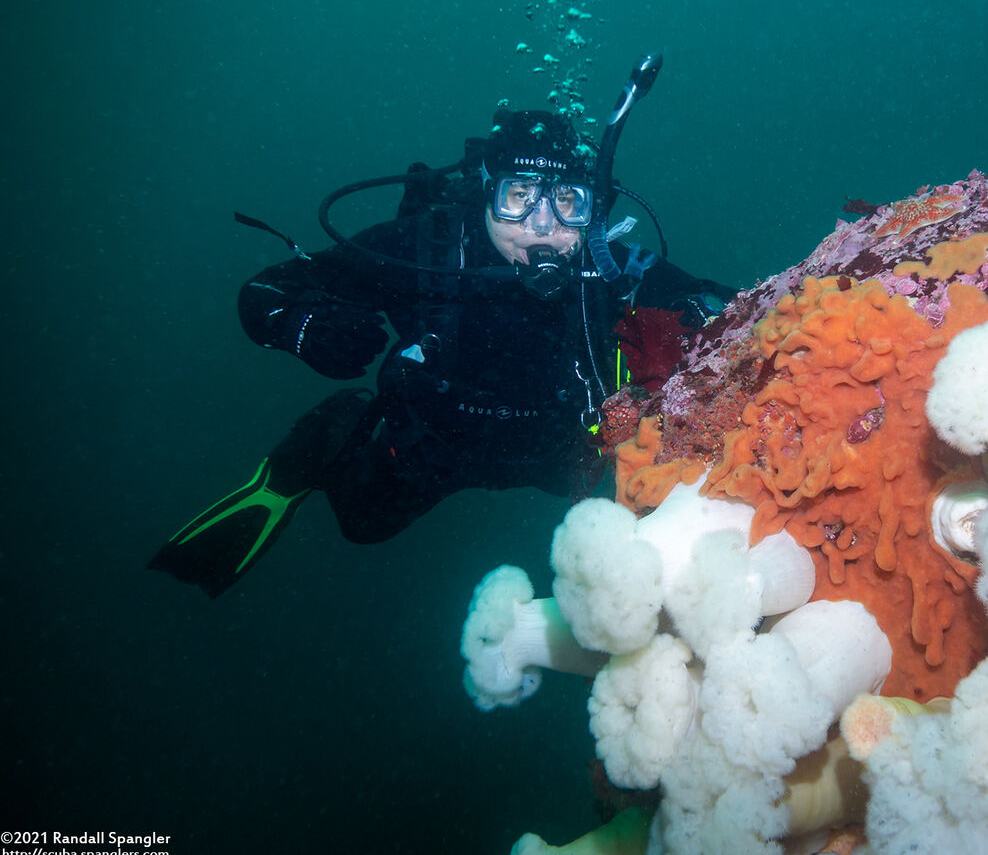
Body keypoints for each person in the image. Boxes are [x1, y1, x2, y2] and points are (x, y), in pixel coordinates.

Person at [151, 60, 734, 596]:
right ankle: (322, 439)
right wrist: (307, 328)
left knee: (655, 522)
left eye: (568, 203)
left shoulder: (606, 265)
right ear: (485, 194)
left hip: (565, 449)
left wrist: (714, 319)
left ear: (593, 209)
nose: (542, 226)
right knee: (362, 526)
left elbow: (729, 309)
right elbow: (266, 292)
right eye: (518, 196)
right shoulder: (424, 248)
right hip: (435, 441)